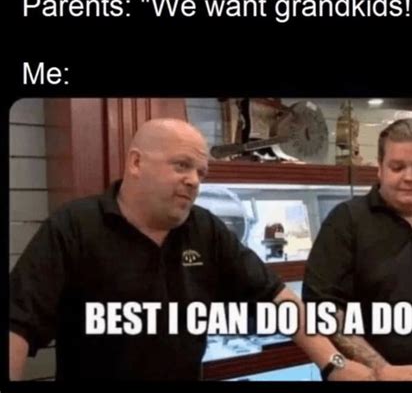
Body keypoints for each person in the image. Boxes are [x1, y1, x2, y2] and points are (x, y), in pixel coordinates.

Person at [10, 118, 374, 381]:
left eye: (201, 172)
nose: (194, 181)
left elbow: (276, 297)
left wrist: (333, 365)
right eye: (182, 166)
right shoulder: (76, 225)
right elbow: (17, 324)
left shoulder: (204, 228)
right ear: (136, 162)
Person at [303, 118, 412, 381]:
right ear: (380, 169)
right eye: (397, 167)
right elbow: (321, 308)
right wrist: (381, 369)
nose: (408, 177)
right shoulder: (347, 221)